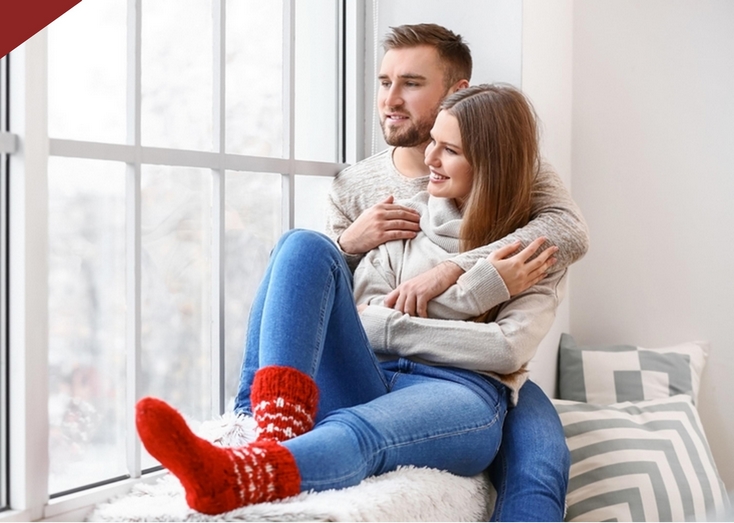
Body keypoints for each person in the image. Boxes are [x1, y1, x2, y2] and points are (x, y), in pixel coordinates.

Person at [136, 83, 567, 517]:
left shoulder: (535, 251)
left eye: (448, 149)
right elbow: (366, 312)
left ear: (490, 164)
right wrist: (475, 295)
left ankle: (241, 475)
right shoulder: (406, 214)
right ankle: (274, 430)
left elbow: (505, 347)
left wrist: (391, 324)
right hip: (370, 371)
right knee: (302, 244)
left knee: (361, 431)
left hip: (461, 391)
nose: (430, 158)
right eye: (432, 140)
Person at [233, 24, 587, 521]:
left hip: (466, 376)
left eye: (412, 83)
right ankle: (256, 422)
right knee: (300, 247)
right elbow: (330, 298)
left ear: (456, 94)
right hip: (371, 360)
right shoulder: (364, 190)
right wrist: (348, 244)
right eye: (384, 82)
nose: (391, 99)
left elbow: (566, 230)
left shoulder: (519, 177)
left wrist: (453, 274)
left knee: (540, 458)